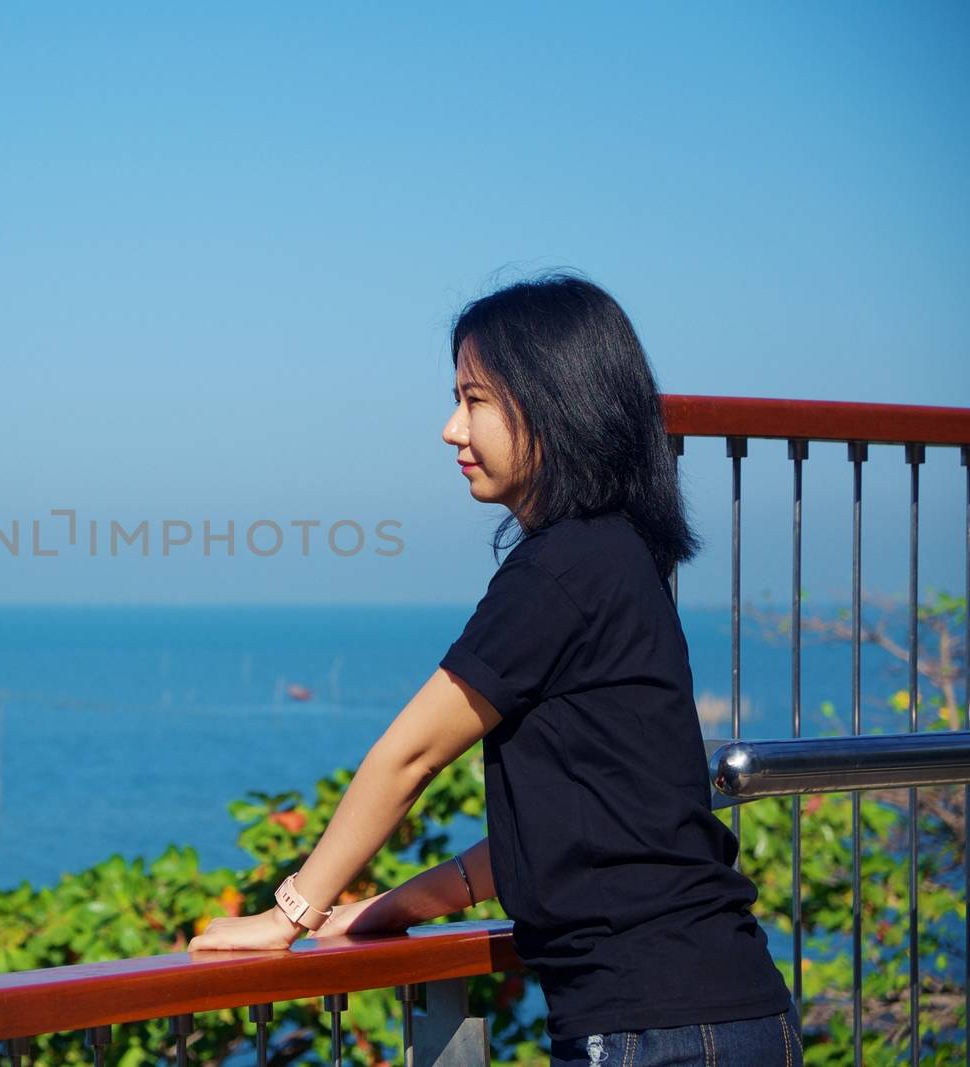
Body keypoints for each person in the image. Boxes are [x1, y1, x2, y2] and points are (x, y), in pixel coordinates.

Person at [186, 273, 800, 1066]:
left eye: (474, 399)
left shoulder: (562, 572)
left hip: (655, 1029)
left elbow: (409, 754)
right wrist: (387, 906)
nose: (450, 428)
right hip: (732, 1013)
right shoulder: (615, 558)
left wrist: (288, 915)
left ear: (556, 404)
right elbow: (569, 831)